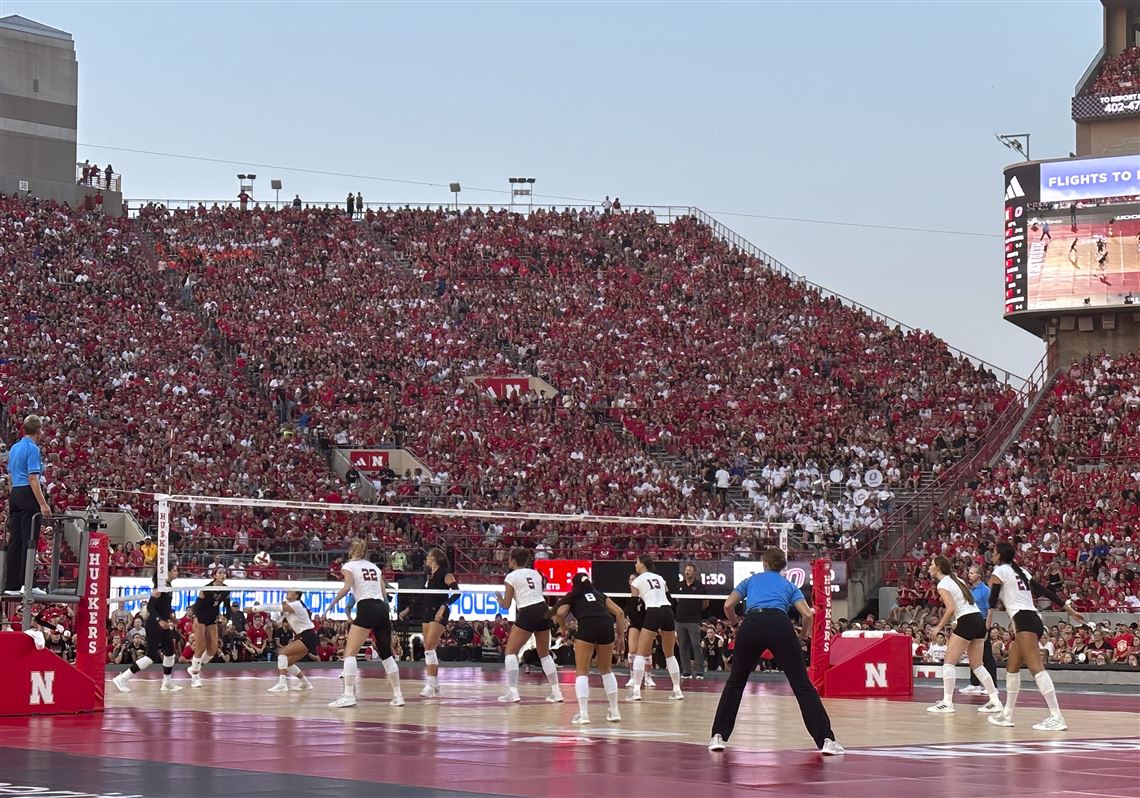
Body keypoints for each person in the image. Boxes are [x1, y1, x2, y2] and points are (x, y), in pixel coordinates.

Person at [708, 547, 843, 755]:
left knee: (735, 682)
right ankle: (826, 740)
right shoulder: (789, 585)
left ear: (764, 563)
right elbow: (807, 615)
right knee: (802, 686)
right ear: (782, 567)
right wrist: (802, 637)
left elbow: (728, 606)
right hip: (779, 625)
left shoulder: (751, 581)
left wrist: (735, 625)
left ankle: (718, 736)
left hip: (752, 624)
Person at [987, 542, 1084, 731]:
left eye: (994, 553)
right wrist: (1068, 609)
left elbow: (992, 599)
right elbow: (1045, 591)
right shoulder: (1020, 571)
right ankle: (1007, 714)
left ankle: (1057, 716)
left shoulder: (1000, 571)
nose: (992, 555)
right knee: (1012, 667)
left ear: (999, 556)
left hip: (1023, 621)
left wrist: (988, 617)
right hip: (1032, 619)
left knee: (1036, 668)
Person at [328, 540, 403, 708]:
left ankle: (348, 695)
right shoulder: (375, 568)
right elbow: (384, 593)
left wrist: (331, 605)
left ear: (351, 551)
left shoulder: (349, 566)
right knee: (386, 654)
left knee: (350, 653)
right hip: (382, 608)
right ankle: (398, 696)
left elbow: (347, 587)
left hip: (367, 607)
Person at [924, 557, 1002, 714]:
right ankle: (995, 701)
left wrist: (939, 626)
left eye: (931, 565)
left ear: (938, 567)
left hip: (966, 620)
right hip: (978, 619)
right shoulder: (957, 579)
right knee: (978, 665)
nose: (929, 567)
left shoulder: (942, 584)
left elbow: (951, 608)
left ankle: (947, 702)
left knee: (949, 662)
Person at [553, 572, 626, 724]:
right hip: (606, 624)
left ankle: (584, 714)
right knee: (606, 670)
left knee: (582, 671)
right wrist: (620, 637)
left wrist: (564, 628)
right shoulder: (598, 594)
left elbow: (560, 612)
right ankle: (614, 711)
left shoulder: (573, 595)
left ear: (574, 585)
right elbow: (619, 613)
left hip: (587, 625)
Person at [495, 547, 563, 704]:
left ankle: (512, 691)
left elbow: (506, 605)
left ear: (512, 560)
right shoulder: (536, 574)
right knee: (544, 654)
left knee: (510, 651)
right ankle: (556, 692)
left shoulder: (511, 577)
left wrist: (499, 599)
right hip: (543, 609)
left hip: (528, 611)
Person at [398, 546, 458, 698]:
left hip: (438, 612)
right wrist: (408, 609)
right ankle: (435, 684)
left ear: (434, 558)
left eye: (428, 556)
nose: (426, 559)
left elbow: (456, 592)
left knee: (430, 646)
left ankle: (430, 684)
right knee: (428, 648)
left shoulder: (445, 573)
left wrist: (444, 606)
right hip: (427, 612)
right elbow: (422, 596)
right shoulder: (430, 576)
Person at [112, 565, 182, 693]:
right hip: (154, 625)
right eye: (175, 570)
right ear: (167, 573)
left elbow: (164, 607)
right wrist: (159, 621)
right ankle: (122, 678)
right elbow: (150, 607)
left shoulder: (168, 587)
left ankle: (167, 682)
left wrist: (172, 619)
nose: (177, 572)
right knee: (151, 657)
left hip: (164, 624)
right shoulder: (159, 587)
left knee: (170, 652)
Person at [5, 415, 51, 593]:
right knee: (29, 539)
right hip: (27, 492)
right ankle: (28, 584)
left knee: (15, 539)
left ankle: (13, 584)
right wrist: (43, 504)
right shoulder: (33, 449)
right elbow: (33, 478)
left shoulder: (15, 447)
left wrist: (13, 496)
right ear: (39, 431)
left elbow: (9, 476)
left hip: (15, 492)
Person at [628, 554, 683, 701]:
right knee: (670, 654)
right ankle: (677, 690)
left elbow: (633, 605)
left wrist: (638, 622)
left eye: (637, 562)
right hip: (668, 611)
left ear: (643, 565)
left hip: (653, 611)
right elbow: (670, 599)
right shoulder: (660, 578)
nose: (635, 565)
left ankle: (636, 691)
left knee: (640, 653)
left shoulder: (637, 581)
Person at [187, 566, 230, 687]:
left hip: (212, 618)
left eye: (224, 573)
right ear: (214, 575)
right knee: (200, 646)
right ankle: (195, 677)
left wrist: (226, 617)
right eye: (220, 573)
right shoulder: (207, 588)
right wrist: (195, 618)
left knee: (212, 650)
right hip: (200, 617)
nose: (223, 575)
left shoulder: (227, 590)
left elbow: (227, 606)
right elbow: (197, 606)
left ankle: (194, 667)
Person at [267, 591, 316, 692]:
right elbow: (277, 623)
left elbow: (278, 607)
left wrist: (254, 609)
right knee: (287, 663)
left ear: (296, 595)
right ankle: (305, 683)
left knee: (282, 653)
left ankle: (282, 684)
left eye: (290, 592)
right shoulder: (291, 611)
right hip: (306, 636)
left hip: (307, 635)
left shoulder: (297, 604)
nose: (287, 592)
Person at [962, 564, 998, 695]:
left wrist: (987, 629)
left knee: (986, 654)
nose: (969, 575)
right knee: (973, 653)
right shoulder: (970, 590)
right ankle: (974, 683)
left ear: (979, 575)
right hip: (972, 622)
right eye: (969, 573)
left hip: (982, 622)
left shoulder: (985, 590)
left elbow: (990, 610)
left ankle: (993, 686)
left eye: (972, 573)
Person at [623, 573, 656, 689]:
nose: (632, 581)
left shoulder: (645, 594)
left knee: (646, 652)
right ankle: (632, 677)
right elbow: (626, 611)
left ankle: (648, 677)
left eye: (634, 579)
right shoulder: (629, 596)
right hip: (634, 624)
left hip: (646, 624)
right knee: (632, 650)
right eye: (630, 579)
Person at [674, 564, 707, 679]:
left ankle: (699, 671)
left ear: (694, 572)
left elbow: (705, 603)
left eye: (690, 570)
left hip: (693, 620)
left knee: (696, 645)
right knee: (682, 646)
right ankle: (686, 671)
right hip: (680, 620)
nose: (687, 572)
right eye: (686, 570)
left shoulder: (699, 586)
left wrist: (695, 611)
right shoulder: (679, 585)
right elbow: (677, 600)